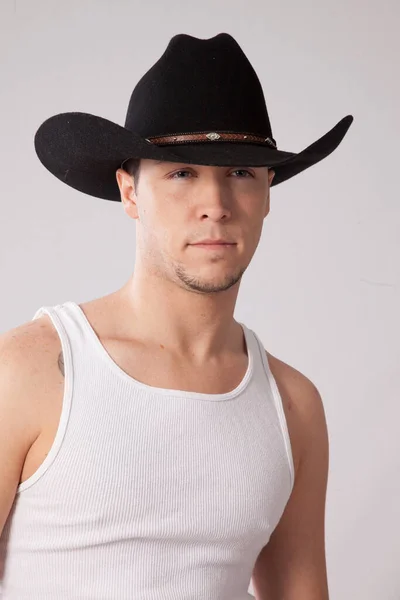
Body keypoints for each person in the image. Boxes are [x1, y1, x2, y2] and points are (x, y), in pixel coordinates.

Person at [0, 32, 353, 599]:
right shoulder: (29, 370)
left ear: (268, 194)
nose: (215, 203)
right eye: (181, 173)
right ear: (130, 192)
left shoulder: (292, 406)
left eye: (241, 174)